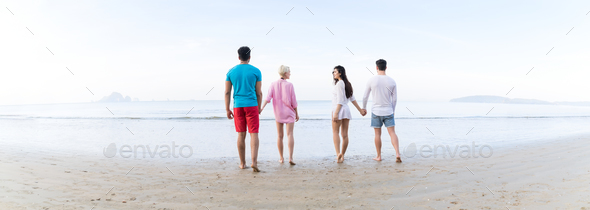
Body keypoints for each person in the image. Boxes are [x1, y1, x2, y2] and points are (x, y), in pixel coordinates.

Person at [224, 46, 263, 172]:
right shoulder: (256, 71)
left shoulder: (231, 72)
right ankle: (254, 162)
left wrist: (227, 109)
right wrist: (259, 107)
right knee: (254, 134)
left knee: (241, 134)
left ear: (239, 57)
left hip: (238, 106)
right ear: (249, 57)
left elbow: (227, 92)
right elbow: (259, 93)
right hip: (252, 105)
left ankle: (242, 163)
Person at [361, 59, 401, 162]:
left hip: (376, 111)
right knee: (392, 133)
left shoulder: (371, 80)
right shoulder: (392, 81)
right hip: (388, 110)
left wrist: (364, 108)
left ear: (376, 67)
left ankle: (378, 156)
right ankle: (397, 153)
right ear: (386, 67)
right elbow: (395, 99)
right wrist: (393, 110)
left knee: (377, 134)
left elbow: (365, 96)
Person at [260, 65, 299, 165]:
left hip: (278, 113)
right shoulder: (290, 85)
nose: (290, 73)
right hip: (289, 113)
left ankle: (281, 158)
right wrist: (297, 114)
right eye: (289, 71)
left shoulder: (273, 84)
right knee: (290, 134)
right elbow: (294, 102)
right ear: (285, 73)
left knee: (280, 136)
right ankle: (290, 158)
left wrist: (261, 108)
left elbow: (268, 98)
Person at [331, 65, 366, 163]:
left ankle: (338, 154)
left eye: (335, 72)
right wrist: (360, 110)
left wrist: (336, 113)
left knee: (335, 132)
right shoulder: (347, 83)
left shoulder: (339, 84)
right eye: (333, 72)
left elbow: (340, 100)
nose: (333, 73)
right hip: (346, 110)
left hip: (338, 109)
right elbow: (352, 98)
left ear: (340, 73)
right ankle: (342, 156)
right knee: (345, 134)